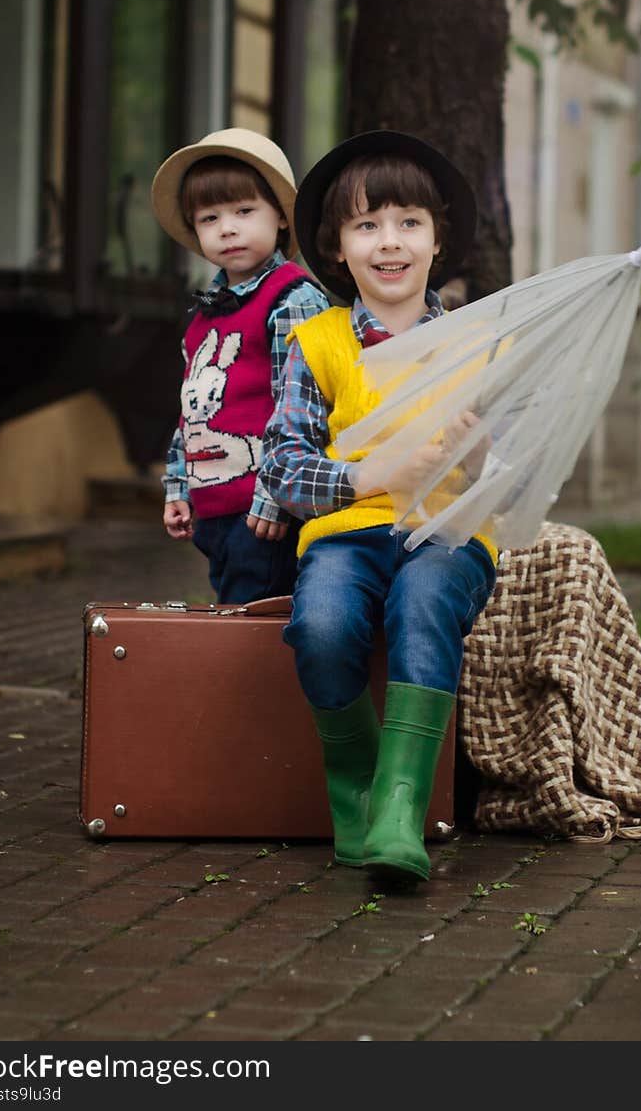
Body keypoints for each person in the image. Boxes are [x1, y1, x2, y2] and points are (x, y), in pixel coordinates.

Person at [261, 132, 497, 882]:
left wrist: (481, 453)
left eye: (408, 223)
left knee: (425, 605)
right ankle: (356, 787)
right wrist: (375, 474)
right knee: (323, 624)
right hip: (347, 535)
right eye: (367, 225)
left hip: (446, 532)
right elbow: (283, 467)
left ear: (438, 239)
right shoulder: (317, 342)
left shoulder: (475, 344)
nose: (388, 243)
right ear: (336, 248)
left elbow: (518, 470)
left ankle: (401, 809)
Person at [151, 128, 328, 605]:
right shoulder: (206, 314)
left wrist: (276, 496)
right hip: (216, 512)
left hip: (265, 515)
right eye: (210, 218)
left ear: (281, 219)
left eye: (244, 211)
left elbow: (302, 409)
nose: (227, 228)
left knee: (255, 623)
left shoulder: (291, 298)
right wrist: (179, 487)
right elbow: (193, 412)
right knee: (234, 615)